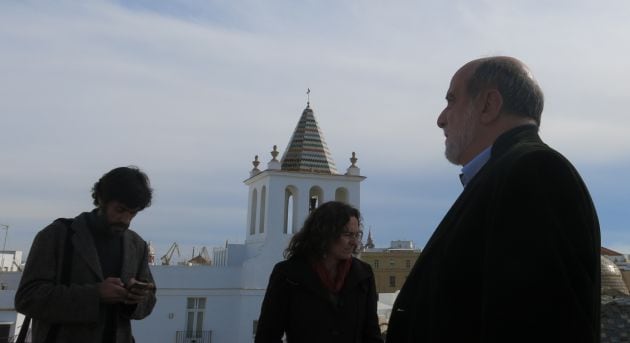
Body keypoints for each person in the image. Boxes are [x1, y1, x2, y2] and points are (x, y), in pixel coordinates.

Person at [386, 57, 600, 343]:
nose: (441, 118)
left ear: (488, 105)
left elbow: (536, 325)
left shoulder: (533, 171)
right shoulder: (506, 175)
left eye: (452, 99)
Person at [15, 166, 157, 343]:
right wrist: (95, 295)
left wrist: (134, 300)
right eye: (120, 210)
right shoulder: (56, 236)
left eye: (132, 213)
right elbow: (27, 298)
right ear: (101, 199)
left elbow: (149, 302)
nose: (126, 220)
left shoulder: (137, 245)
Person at [255, 201, 383, 343]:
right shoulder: (288, 275)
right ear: (325, 233)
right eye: (347, 234)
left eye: (357, 235)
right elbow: (267, 335)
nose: (355, 242)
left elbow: (371, 333)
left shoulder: (363, 274)